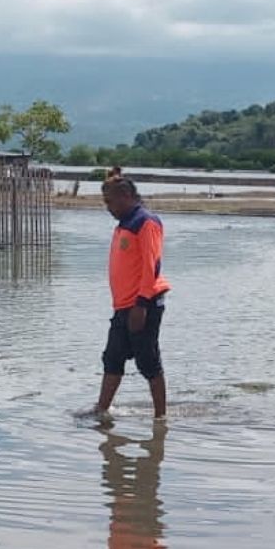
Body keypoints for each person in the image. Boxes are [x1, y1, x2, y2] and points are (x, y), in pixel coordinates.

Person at [92, 169, 170, 419]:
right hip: (123, 306)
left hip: (142, 305)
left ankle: (160, 418)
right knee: (112, 358)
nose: (108, 208)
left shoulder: (146, 222)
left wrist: (142, 304)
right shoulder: (124, 224)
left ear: (125, 195)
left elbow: (151, 265)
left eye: (110, 202)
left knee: (148, 362)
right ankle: (101, 409)